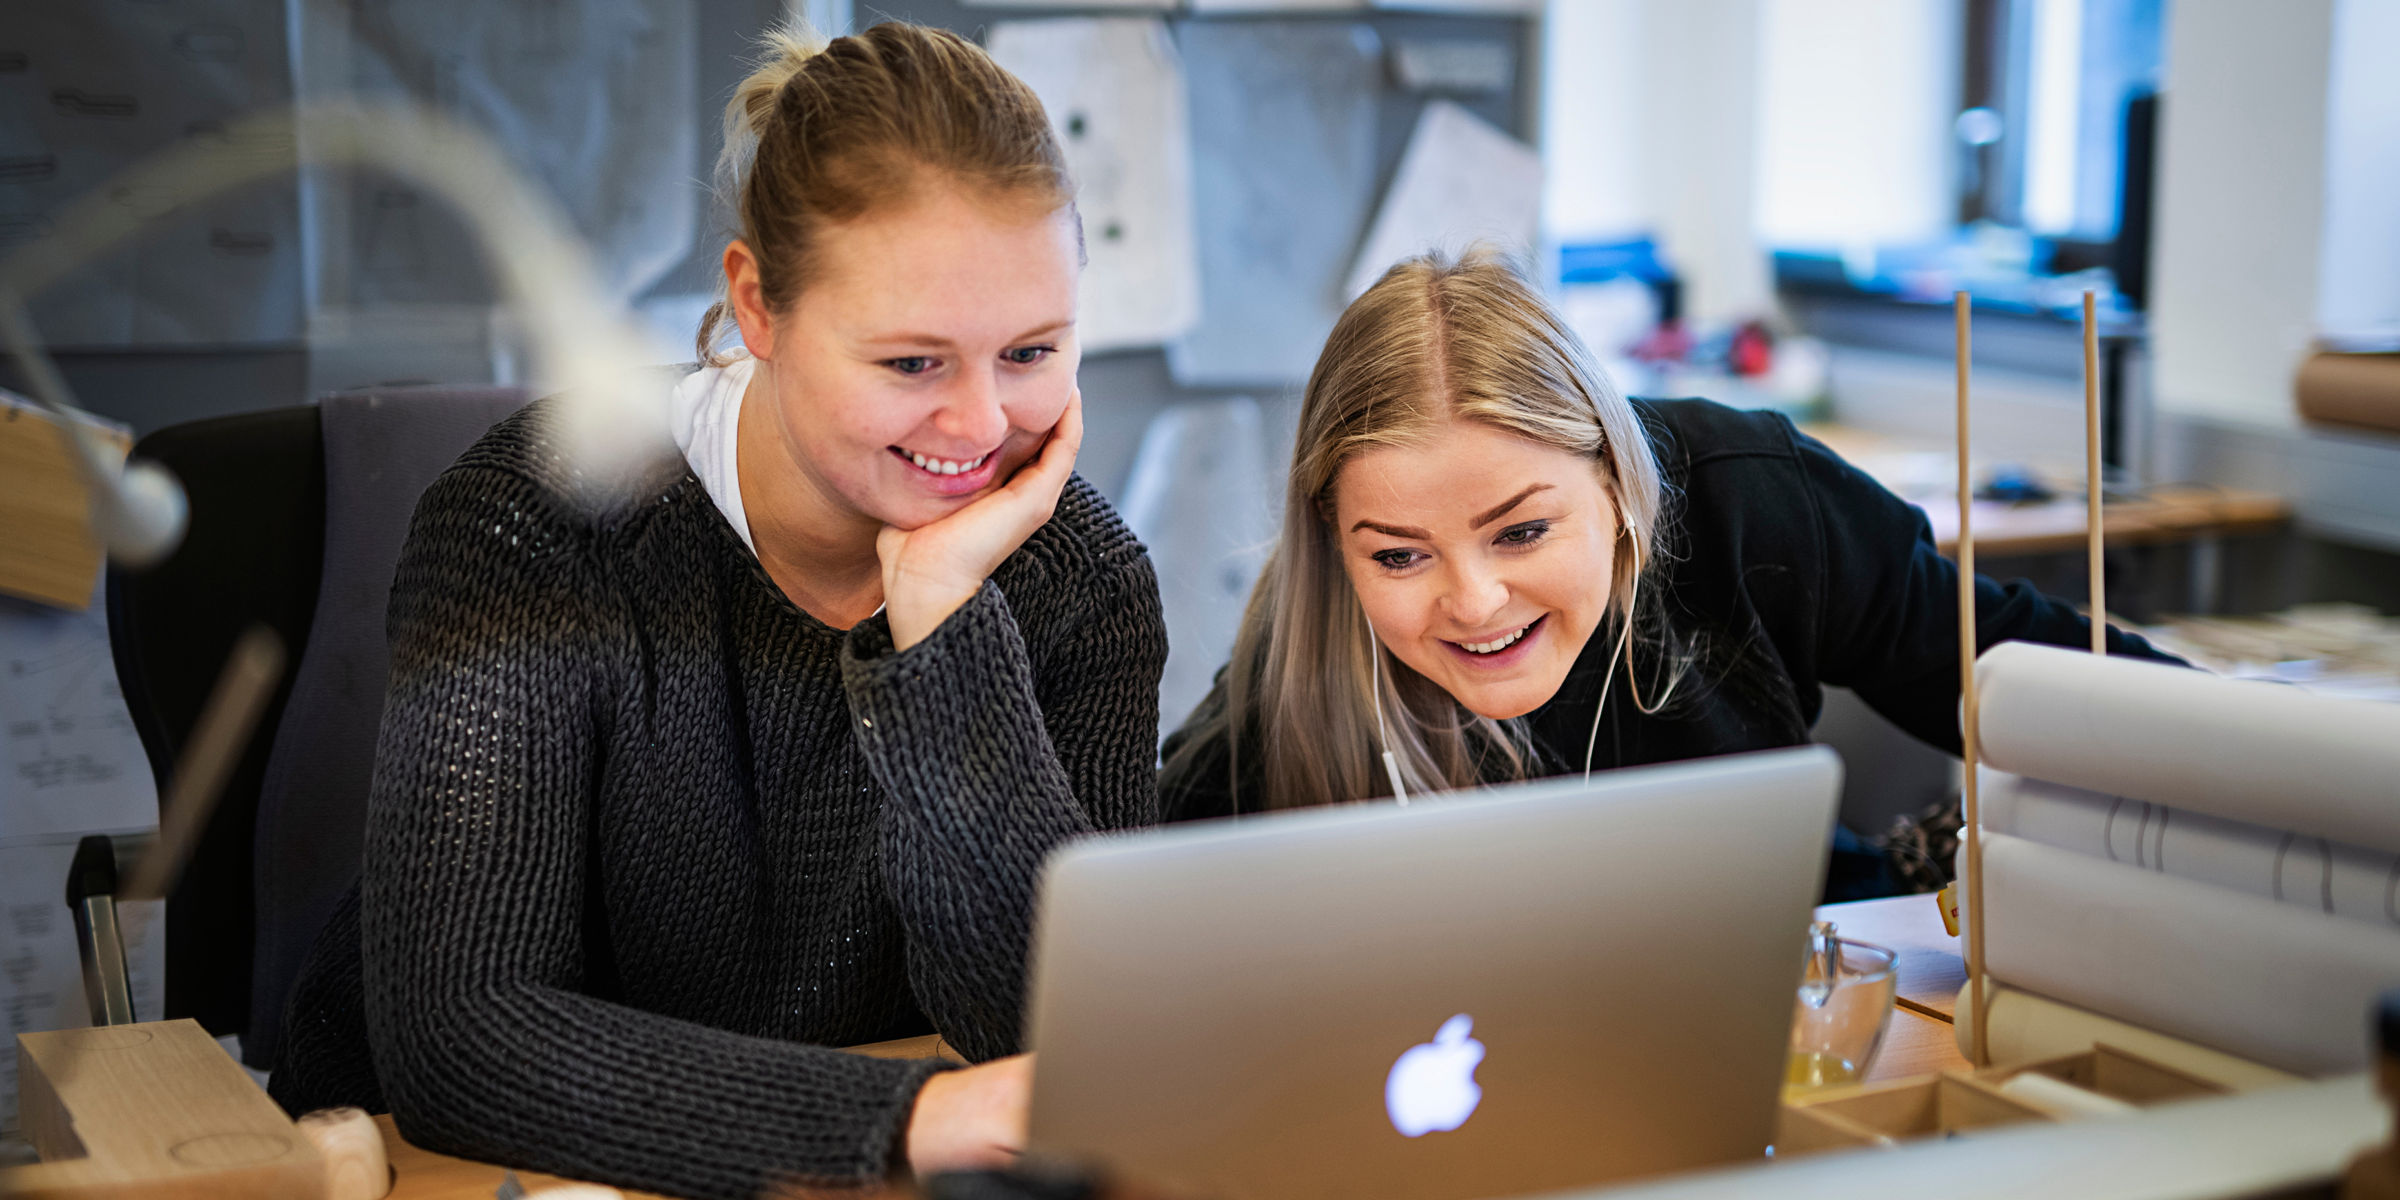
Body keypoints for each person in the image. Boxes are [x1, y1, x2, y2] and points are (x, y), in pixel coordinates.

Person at [269, 21, 1165, 1199]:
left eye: (1033, 350)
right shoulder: (538, 526)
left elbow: (1064, 1044)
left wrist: (941, 622)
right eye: (911, 364)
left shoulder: (1080, 579)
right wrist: (911, 1117)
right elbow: (461, 1037)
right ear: (757, 304)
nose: (981, 427)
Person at [1159, 248, 2173, 876]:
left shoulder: (1753, 496)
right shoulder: (1309, 650)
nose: (1472, 601)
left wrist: (2288, 768)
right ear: (1336, 545)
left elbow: (2035, 679)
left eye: (1520, 532)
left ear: (1614, 485)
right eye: (1399, 556)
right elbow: (1131, 897)